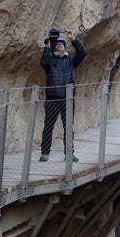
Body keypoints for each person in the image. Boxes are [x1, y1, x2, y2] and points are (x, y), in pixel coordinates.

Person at [39, 28, 86, 161]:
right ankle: (45, 153)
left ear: (65, 47)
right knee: (48, 126)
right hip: (52, 99)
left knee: (68, 128)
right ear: (54, 47)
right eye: (57, 44)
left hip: (68, 99)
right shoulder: (50, 61)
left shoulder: (71, 61)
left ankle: (69, 154)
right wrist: (47, 46)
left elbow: (82, 53)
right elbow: (43, 62)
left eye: (62, 44)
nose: (60, 45)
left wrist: (73, 39)